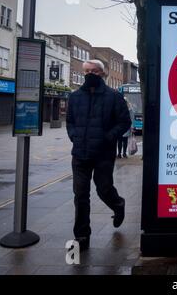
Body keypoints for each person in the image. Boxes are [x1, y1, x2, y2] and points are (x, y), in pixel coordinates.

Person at [66, 59, 131, 251]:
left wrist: (108, 138)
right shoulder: (75, 97)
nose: (89, 75)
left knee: (103, 189)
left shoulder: (113, 97)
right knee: (80, 195)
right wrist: (74, 136)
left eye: (93, 71)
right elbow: (69, 121)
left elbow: (124, 122)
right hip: (80, 154)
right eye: (86, 71)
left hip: (103, 154)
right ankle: (82, 236)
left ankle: (118, 204)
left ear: (102, 74)